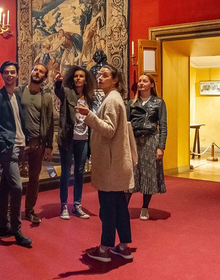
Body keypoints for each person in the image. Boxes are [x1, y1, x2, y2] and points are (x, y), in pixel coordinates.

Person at [76, 64, 134, 262]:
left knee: (108, 208)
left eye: (105, 75)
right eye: (99, 75)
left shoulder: (111, 100)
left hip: (110, 165)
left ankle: (104, 249)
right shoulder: (114, 98)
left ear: (115, 80)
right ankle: (124, 246)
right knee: (119, 207)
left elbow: (109, 130)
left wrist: (88, 115)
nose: (100, 78)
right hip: (115, 163)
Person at [0, 61, 32, 247]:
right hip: (8, 148)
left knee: (5, 187)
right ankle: (16, 230)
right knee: (17, 187)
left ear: (17, 75)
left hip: (18, 146)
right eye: (6, 72)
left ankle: (2, 226)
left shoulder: (15, 96)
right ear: (2, 75)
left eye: (13, 72)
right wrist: (3, 145)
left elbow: (17, 123)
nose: (10, 75)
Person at [54, 66, 96, 219]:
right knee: (65, 172)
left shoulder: (89, 97)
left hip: (83, 139)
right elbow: (58, 91)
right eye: (76, 76)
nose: (78, 78)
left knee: (79, 172)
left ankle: (77, 205)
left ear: (86, 80)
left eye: (81, 76)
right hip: (68, 138)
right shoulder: (67, 93)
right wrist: (58, 83)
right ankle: (64, 205)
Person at [14, 63, 54, 224]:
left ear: (44, 77)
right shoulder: (18, 92)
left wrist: (49, 145)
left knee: (34, 179)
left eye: (41, 72)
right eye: (36, 70)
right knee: (14, 178)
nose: (37, 73)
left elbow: (50, 122)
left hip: (38, 143)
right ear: (31, 72)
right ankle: (12, 211)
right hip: (20, 142)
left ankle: (29, 210)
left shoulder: (47, 97)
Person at [126, 73, 167, 220]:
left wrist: (161, 146)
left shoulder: (158, 102)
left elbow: (162, 126)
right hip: (134, 140)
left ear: (151, 84)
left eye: (145, 81)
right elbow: (125, 125)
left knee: (149, 174)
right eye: (140, 81)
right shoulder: (131, 103)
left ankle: (145, 207)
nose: (141, 83)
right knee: (131, 173)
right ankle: (124, 208)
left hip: (151, 140)